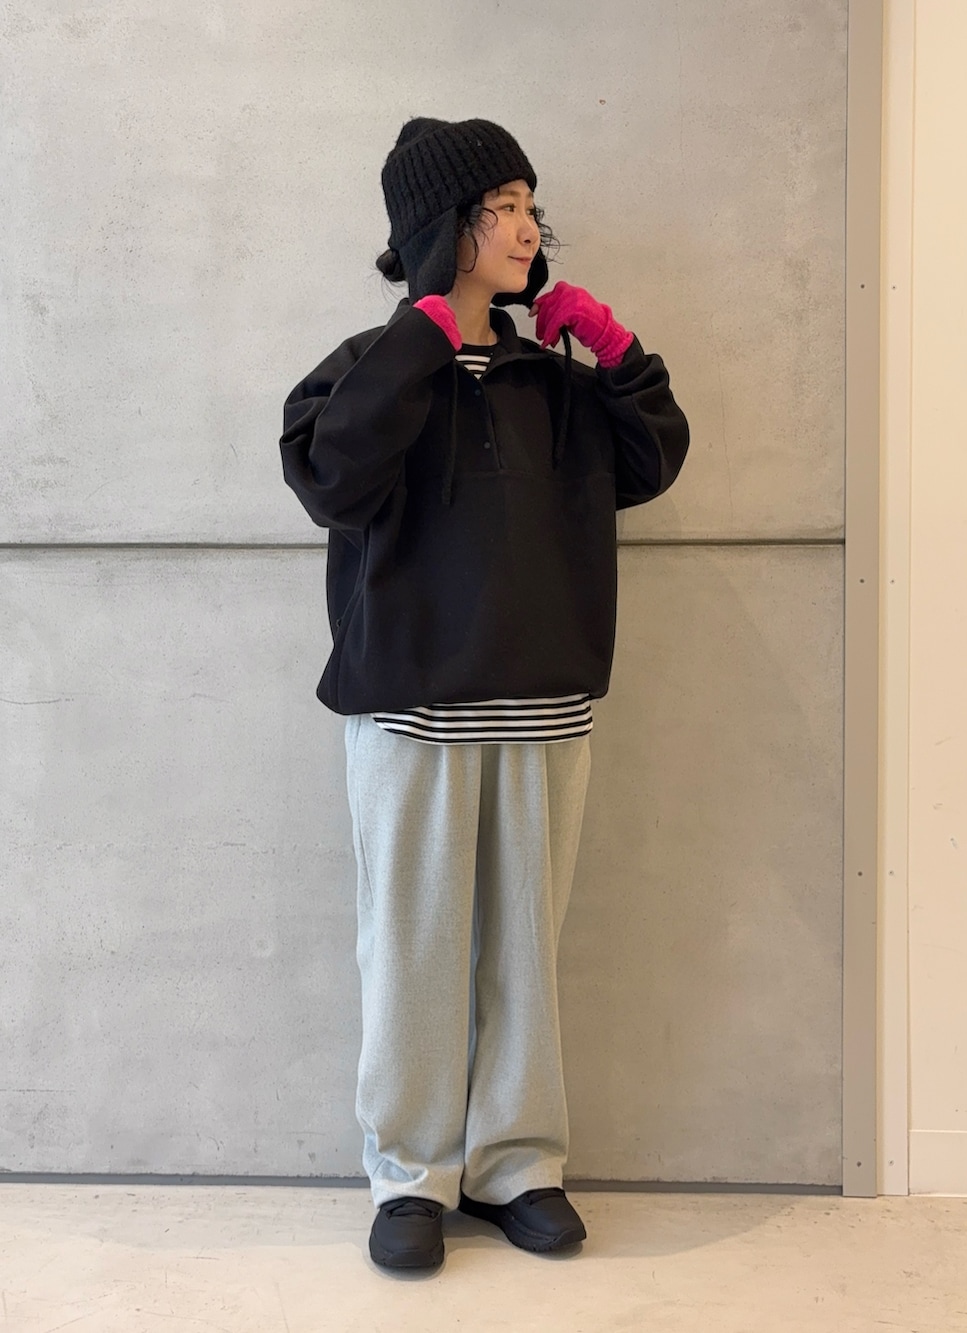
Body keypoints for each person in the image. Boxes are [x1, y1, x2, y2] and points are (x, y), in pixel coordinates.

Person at [279, 116, 690, 1271]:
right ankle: (409, 1175)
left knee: (524, 955)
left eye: (527, 206)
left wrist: (609, 346)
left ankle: (517, 1163)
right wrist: (419, 335)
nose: (526, 228)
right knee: (411, 951)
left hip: (544, 708)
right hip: (411, 711)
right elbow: (331, 479)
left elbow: (654, 459)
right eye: (500, 207)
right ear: (442, 227)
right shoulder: (362, 369)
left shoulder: (550, 379)